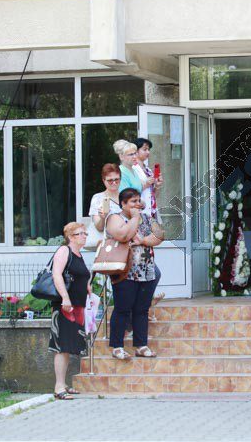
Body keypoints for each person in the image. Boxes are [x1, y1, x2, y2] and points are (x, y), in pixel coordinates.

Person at [107, 188, 163, 360]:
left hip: (146, 270)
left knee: (142, 309)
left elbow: (160, 235)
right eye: (133, 201)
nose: (137, 204)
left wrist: (144, 240)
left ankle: (141, 345)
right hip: (124, 271)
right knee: (122, 309)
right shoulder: (115, 218)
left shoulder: (147, 217)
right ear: (123, 204)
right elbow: (124, 235)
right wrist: (135, 218)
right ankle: (117, 347)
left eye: (139, 200)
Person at [50, 222, 92, 400]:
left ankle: (63, 384)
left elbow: (79, 277)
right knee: (62, 346)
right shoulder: (64, 251)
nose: (84, 236)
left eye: (85, 233)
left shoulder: (79, 255)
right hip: (65, 306)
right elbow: (56, 274)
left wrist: (87, 286)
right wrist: (65, 298)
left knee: (68, 346)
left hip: (77, 306)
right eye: (80, 233)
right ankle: (59, 386)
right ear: (70, 237)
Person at [134, 138, 166, 309]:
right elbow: (129, 194)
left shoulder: (146, 170)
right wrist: (147, 183)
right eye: (144, 149)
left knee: (149, 262)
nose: (147, 152)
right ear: (136, 151)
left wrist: (157, 186)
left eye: (148, 149)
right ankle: (144, 304)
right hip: (139, 219)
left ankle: (145, 303)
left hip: (149, 217)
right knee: (143, 262)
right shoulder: (132, 170)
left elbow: (152, 197)